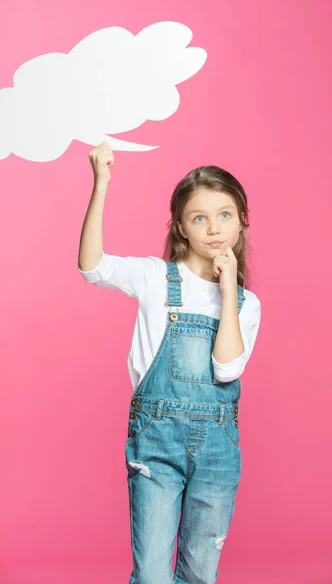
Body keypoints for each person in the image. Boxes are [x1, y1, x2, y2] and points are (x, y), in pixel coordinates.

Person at [77, 141, 261, 584]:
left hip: (218, 451)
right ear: (181, 226)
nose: (213, 228)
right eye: (199, 217)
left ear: (241, 223)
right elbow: (92, 267)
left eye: (225, 215)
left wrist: (229, 289)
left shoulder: (246, 303)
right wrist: (101, 184)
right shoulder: (155, 277)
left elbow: (226, 370)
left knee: (200, 572)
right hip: (156, 442)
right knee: (154, 575)